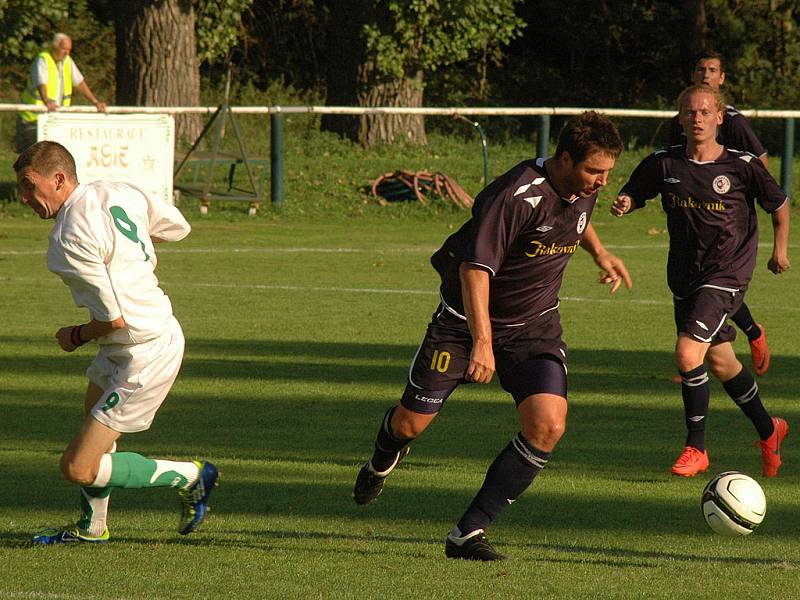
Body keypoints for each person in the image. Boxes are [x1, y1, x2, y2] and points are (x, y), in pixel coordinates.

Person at [352, 111, 632, 561]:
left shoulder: (581, 186)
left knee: (548, 425)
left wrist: (600, 252)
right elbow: (475, 270)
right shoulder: (515, 194)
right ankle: (383, 456)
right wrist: (482, 343)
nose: (601, 182)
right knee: (410, 424)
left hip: (534, 328)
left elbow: (575, 217)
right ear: (564, 159)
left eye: (606, 173)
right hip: (462, 327)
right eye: (593, 171)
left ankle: (468, 532)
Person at [14, 141, 218, 545]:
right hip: (131, 341)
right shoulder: (118, 190)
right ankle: (92, 527)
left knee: (77, 466)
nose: (23, 198)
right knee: (93, 415)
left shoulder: (66, 239)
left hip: (145, 349)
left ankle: (193, 476)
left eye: (27, 186)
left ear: (58, 179)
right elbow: (178, 227)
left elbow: (110, 320)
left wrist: (73, 336)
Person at [612, 84, 790, 479]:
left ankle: (696, 447)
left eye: (705, 112)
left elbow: (778, 204)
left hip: (727, 274)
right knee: (721, 361)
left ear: (719, 118)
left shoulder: (742, 165)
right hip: (685, 276)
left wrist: (779, 251)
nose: (697, 118)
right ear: (680, 117)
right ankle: (769, 430)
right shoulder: (665, 163)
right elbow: (636, 191)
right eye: (690, 112)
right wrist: (626, 202)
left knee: (688, 354)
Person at [666, 50, 770, 376]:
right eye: (700, 69)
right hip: (695, 217)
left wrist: (738, 200)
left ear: (722, 78)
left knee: (718, 282)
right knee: (699, 280)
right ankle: (703, 350)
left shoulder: (733, 120)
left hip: (730, 220)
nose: (706, 74)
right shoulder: (682, 120)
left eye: (712, 70)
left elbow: (761, 163)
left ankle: (734, 339)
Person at [16, 33, 107, 153]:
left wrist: (95, 102)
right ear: (54, 47)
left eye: (69, 50)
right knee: (32, 159)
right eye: (64, 49)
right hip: (33, 119)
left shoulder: (67, 61)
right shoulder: (43, 59)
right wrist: (47, 101)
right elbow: (41, 83)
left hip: (54, 119)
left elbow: (79, 82)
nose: (67, 53)